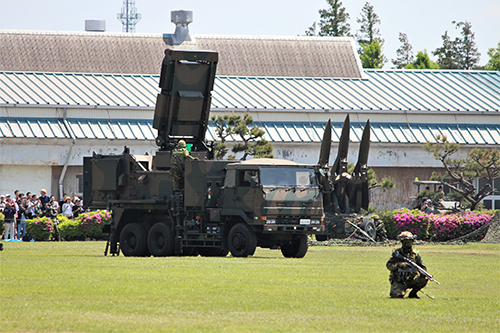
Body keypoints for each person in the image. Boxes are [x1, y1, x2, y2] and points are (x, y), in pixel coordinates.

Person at [386, 231, 428, 299]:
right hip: (399, 280)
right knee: (396, 296)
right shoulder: (397, 253)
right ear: (402, 242)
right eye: (406, 241)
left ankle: (413, 293)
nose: (408, 243)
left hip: (412, 279)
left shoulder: (415, 254)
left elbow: (422, 267)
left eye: (410, 241)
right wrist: (399, 265)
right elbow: (389, 265)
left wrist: (423, 274)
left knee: (424, 278)